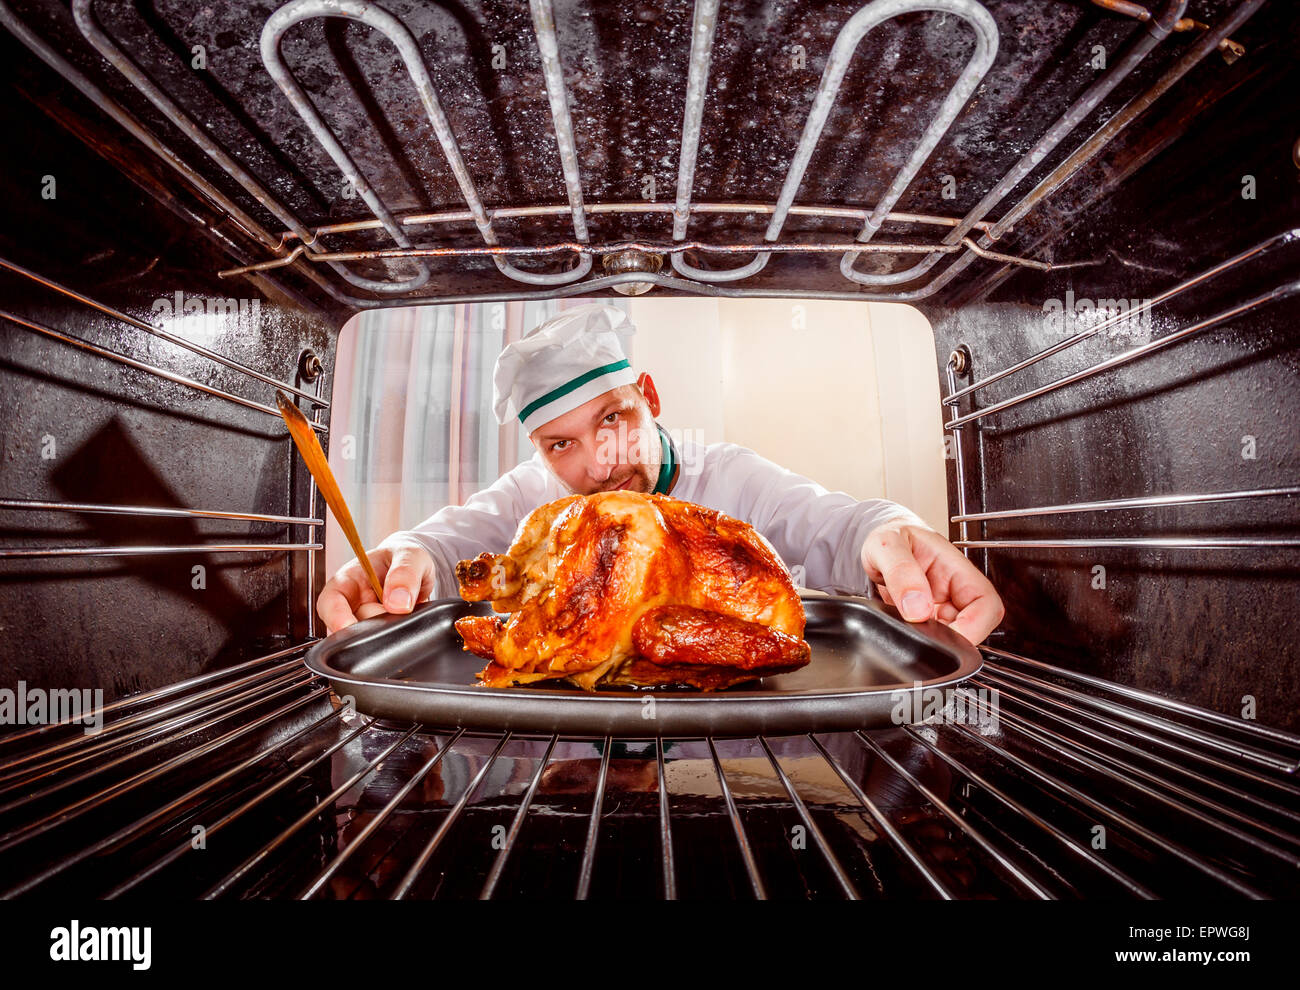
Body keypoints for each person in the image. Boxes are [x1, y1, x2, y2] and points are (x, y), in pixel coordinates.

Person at [317, 304, 1003, 645]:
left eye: (613, 418)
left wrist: (893, 532)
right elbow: (444, 543)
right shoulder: (535, 497)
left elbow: (837, 523)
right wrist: (406, 559)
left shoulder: (728, 477)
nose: (596, 463)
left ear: (648, 393)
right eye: (559, 445)